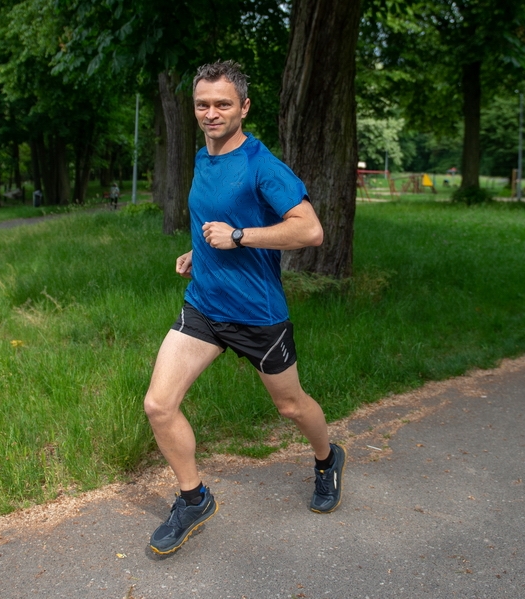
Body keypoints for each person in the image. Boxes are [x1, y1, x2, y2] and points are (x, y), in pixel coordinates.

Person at [143, 60, 346, 555]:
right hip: (205, 307)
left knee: (290, 406)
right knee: (158, 405)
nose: (211, 113)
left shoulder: (262, 165)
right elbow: (215, 216)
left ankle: (327, 458)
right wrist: (202, 251)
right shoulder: (203, 158)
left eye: (222, 104)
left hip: (257, 314)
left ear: (244, 107)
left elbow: (310, 229)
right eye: (202, 105)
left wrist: (238, 237)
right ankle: (193, 499)